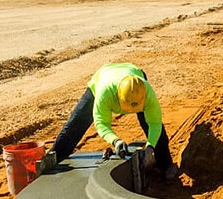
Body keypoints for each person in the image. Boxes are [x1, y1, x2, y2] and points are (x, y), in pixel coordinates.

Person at [50, 62, 178, 181]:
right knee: (76, 122)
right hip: (103, 77)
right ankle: (53, 159)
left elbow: (154, 123)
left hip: (133, 73)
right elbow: (101, 123)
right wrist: (115, 141)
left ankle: (165, 164)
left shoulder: (147, 93)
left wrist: (150, 147)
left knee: (148, 123)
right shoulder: (104, 94)